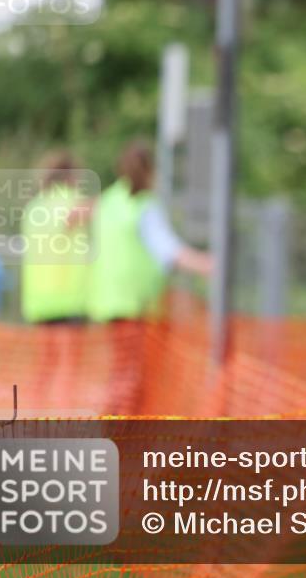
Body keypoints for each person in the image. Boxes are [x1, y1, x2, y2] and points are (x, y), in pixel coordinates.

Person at [84, 140, 212, 411]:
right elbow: (170, 251)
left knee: (122, 373)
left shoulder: (109, 200)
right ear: (150, 171)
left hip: (109, 301)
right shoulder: (144, 206)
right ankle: (123, 441)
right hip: (137, 305)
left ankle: (118, 436)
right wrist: (207, 264)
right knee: (134, 378)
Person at [20, 151, 91, 324]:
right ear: (70, 176)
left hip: (38, 301)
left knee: (47, 352)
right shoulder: (74, 200)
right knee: (71, 352)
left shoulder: (33, 207)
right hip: (70, 300)